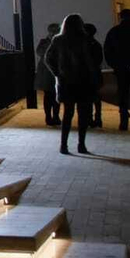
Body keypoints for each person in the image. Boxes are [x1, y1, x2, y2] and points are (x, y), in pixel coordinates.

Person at [44, 14, 100, 154]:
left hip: (66, 81)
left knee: (67, 114)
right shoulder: (86, 40)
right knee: (83, 114)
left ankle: (64, 145)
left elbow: (48, 58)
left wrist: (57, 73)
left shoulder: (58, 40)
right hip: (84, 81)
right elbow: (95, 60)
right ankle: (81, 144)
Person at [103, 9, 130, 130]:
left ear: (120, 17)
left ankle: (123, 121)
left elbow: (107, 51)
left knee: (123, 94)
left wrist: (114, 65)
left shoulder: (114, 31)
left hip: (120, 68)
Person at [35, 23, 60, 125]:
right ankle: (49, 116)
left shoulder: (56, 42)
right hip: (47, 72)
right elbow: (40, 52)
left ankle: (55, 116)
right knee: (49, 95)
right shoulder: (44, 42)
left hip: (53, 72)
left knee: (55, 95)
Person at [83, 23, 104, 126]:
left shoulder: (82, 44)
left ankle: (88, 118)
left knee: (86, 98)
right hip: (95, 73)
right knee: (96, 97)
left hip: (84, 74)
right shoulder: (96, 44)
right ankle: (98, 117)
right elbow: (99, 59)